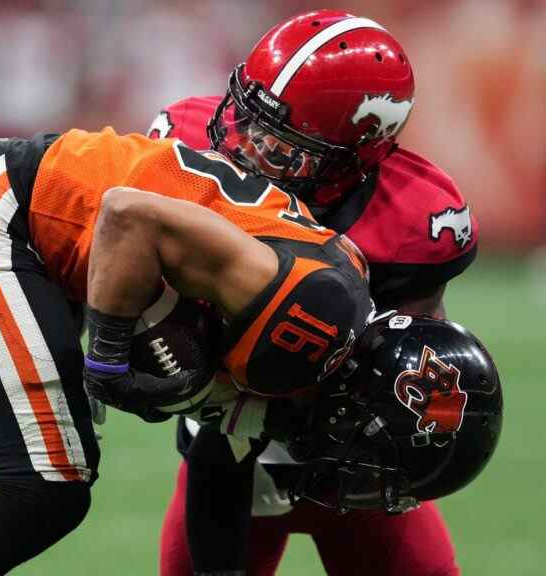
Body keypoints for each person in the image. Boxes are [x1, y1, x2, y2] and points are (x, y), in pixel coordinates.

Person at [0, 126, 372, 574]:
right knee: (47, 486)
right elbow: (126, 213)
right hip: (0, 212)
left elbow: (220, 458)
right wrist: (109, 356)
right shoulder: (310, 313)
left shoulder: (335, 300)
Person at [149, 10, 482, 576]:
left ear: (356, 157)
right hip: (222, 456)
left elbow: (409, 370)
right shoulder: (187, 145)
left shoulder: (413, 221)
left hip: (359, 461)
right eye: (249, 121)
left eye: (281, 147)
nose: (246, 152)